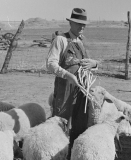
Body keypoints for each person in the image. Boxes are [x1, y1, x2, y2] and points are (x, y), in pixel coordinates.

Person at [46, 8, 100, 159]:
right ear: (71, 23)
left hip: (81, 90)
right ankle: (57, 155)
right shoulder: (61, 40)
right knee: (61, 123)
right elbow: (50, 64)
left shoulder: (81, 41)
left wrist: (94, 63)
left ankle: (73, 155)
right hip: (65, 88)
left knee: (80, 124)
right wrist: (68, 75)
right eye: (78, 24)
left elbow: (89, 64)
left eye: (84, 25)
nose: (81, 27)